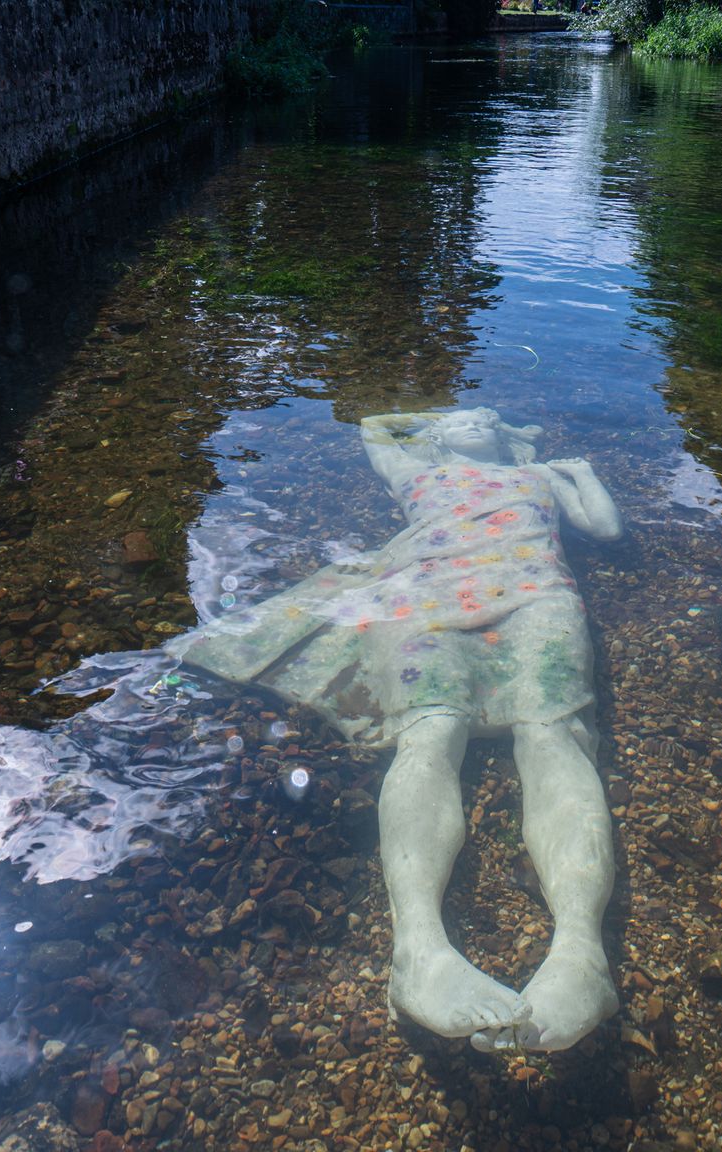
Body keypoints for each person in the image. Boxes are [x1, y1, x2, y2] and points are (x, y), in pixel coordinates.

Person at [169, 407, 622, 1051]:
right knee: (433, 731)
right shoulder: (412, 467)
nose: (482, 416)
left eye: (489, 416)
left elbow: (605, 528)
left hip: (538, 594)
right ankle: (419, 952)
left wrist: (578, 473)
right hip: (423, 595)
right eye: (464, 417)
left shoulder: (541, 475)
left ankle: (582, 955)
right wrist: (434, 419)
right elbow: (374, 426)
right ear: (434, 436)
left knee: (553, 733)